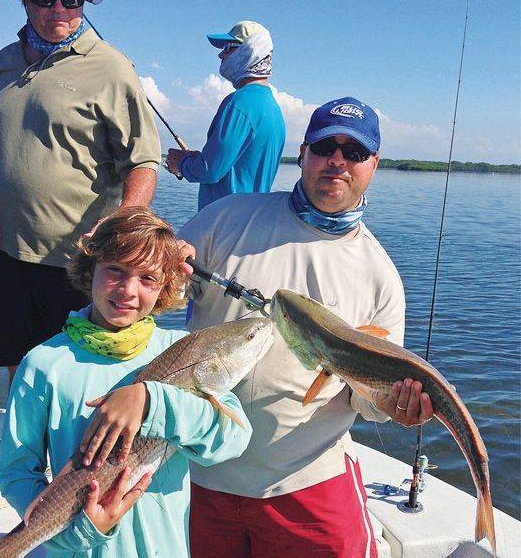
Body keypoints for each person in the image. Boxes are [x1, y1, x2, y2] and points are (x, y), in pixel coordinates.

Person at [0, 0, 162, 510]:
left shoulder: (111, 68)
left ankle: (86, 489)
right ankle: (21, 479)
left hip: (82, 265)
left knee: (85, 383)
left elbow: (143, 162)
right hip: (11, 253)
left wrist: (125, 220)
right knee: (23, 373)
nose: (57, 9)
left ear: (84, 0)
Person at [175, 97, 434, 557]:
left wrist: (397, 406)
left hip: (305, 483)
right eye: (324, 147)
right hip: (198, 475)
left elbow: (369, 402)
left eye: (353, 152)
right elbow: (155, 291)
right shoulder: (227, 217)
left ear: (374, 164)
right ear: (303, 152)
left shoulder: (380, 278)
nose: (337, 161)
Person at [0, 206, 252, 557]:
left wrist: (152, 403)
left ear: (165, 287)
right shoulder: (44, 364)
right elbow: (16, 473)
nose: (128, 289)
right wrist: (79, 534)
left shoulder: (185, 349)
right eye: (115, 270)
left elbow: (232, 440)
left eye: (148, 279)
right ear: (90, 271)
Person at [165, 21, 285, 211]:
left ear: (250, 51)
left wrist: (181, 162)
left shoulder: (239, 103)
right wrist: (197, 159)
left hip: (224, 227)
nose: (221, 54)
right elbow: (238, 166)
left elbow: (210, 170)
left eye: (228, 48)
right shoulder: (272, 108)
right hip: (249, 223)